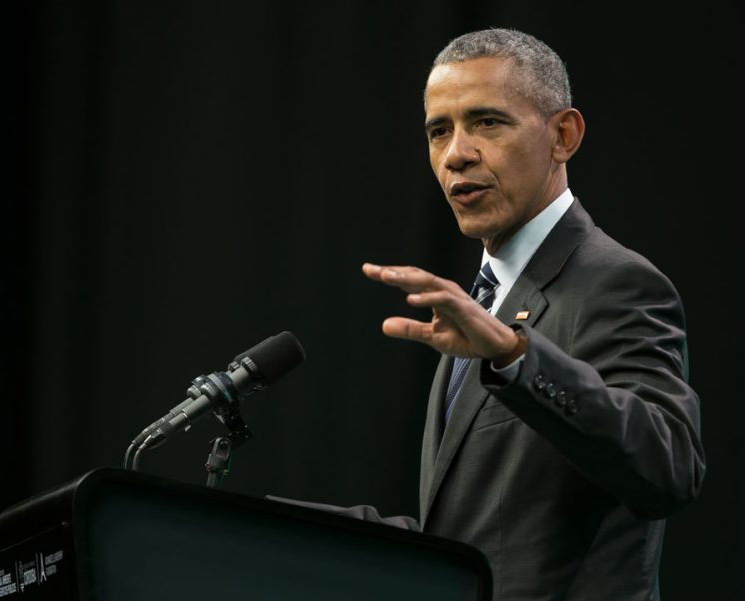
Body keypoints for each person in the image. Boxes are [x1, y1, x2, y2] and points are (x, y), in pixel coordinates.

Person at [277, 28, 705, 600]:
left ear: (563, 136)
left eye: (487, 122)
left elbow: (669, 467)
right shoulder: (488, 299)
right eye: (439, 131)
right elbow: (480, 543)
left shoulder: (615, 282)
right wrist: (274, 531)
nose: (456, 153)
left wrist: (513, 355)